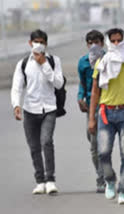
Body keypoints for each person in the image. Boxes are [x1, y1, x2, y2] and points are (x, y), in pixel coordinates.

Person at [88, 28, 124, 205]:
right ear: (108, 42)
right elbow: (95, 91)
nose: (117, 44)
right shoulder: (101, 62)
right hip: (106, 113)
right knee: (103, 152)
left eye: (120, 40)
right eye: (113, 41)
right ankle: (110, 180)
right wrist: (91, 118)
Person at [11, 29, 64, 195]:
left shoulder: (54, 61)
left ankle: (50, 180)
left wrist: (44, 65)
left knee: (46, 141)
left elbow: (58, 84)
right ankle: (40, 181)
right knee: (34, 146)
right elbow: (17, 86)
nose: (39, 45)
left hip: (49, 108)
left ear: (46, 44)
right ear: (30, 43)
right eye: (36, 42)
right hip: (30, 109)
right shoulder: (23, 63)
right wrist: (16, 105)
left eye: (42, 42)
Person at [77, 30, 105, 193]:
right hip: (91, 106)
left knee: (102, 145)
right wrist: (80, 98)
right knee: (93, 145)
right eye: (90, 42)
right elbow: (82, 83)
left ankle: (103, 178)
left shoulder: (109, 60)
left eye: (96, 42)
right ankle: (101, 172)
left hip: (108, 105)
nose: (93, 45)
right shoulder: (83, 62)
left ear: (102, 43)